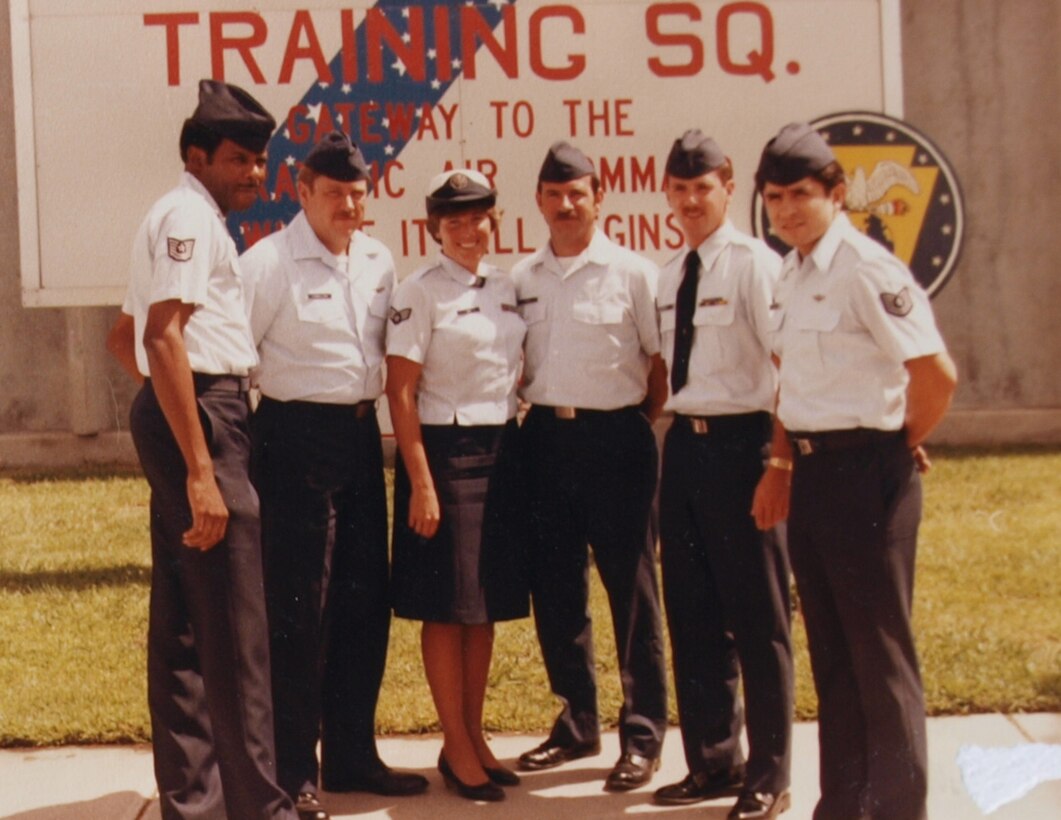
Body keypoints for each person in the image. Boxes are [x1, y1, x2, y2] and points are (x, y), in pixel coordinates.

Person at [751, 122, 957, 820]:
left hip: (868, 475)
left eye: (800, 195)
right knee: (833, 653)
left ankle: (898, 810)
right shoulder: (791, 270)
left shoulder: (866, 268)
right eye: (773, 197)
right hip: (814, 474)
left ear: (836, 194)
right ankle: (842, 804)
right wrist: (781, 462)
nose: (784, 210)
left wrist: (899, 442)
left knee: (879, 657)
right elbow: (791, 381)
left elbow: (934, 376)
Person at [105, 79, 298, 820]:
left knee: (187, 624)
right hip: (206, 419)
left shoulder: (177, 214)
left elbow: (125, 340)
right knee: (237, 630)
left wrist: (164, 405)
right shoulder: (190, 215)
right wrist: (200, 466)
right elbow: (159, 337)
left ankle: (196, 802)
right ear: (197, 155)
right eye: (239, 159)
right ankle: (260, 809)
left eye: (260, 160)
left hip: (183, 409)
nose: (255, 173)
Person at [240, 131, 428, 820]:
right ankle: (296, 773)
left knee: (360, 600)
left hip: (357, 438)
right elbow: (238, 357)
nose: (349, 206)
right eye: (335, 194)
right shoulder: (267, 264)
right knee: (300, 609)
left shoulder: (377, 259)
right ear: (303, 192)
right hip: (292, 441)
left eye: (358, 193)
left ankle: (352, 753)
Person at [513, 141, 669, 792]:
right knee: (556, 590)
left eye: (577, 193)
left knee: (630, 593)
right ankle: (576, 720)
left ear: (599, 198)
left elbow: (657, 365)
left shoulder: (634, 274)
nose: (566, 205)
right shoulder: (522, 278)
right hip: (545, 437)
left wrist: (628, 417)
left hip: (616, 440)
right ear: (540, 203)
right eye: (554, 195)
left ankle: (643, 735)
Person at [652, 130, 793, 820]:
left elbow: (785, 371)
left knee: (756, 616)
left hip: (743, 449)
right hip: (684, 449)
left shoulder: (753, 267)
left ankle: (768, 772)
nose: (688, 201)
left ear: (727, 187)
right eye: (677, 190)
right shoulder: (671, 271)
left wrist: (778, 462)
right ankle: (713, 761)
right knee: (694, 613)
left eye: (700, 187)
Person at [385, 168, 528, 803]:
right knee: (447, 608)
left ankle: (469, 736)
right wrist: (421, 482)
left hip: (502, 454)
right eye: (456, 221)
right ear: (434, 228)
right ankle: (456, 743)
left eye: (480, 218)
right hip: (444, 456)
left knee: (484, 606)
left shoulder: (505, 286)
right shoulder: (420, 294)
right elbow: (401, 391)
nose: (470, 231)